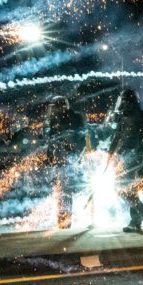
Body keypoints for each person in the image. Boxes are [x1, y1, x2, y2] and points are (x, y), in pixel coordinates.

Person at [107, 88, 143, 233]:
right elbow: (117, 137)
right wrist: (111, 153)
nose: (123, 104)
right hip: (123, 157)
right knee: (120, 187)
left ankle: (135, 219)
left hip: (135, 158)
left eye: (126, 101)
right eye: (123, 101)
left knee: (129, 188)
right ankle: (141, 208)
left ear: (132, 102)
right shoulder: (123, 118)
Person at [44, 96, 87, 229]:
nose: (54, 110)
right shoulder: (56, 120)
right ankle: (64, 219)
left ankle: (65, 219)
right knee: (63, 190)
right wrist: (50, 157)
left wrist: (75, 154)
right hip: (62, 160)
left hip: (70, 159)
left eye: (55, 107)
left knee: (67, 190)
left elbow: (81, 139)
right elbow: (52, 141)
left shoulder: (74, 118)